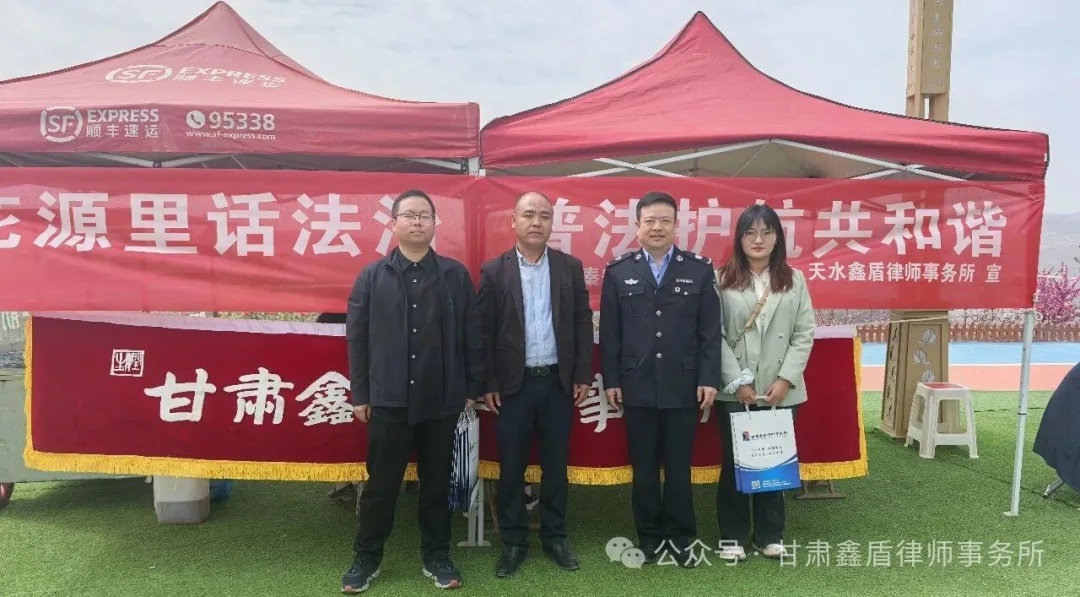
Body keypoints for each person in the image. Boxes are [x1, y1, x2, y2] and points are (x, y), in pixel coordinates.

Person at [341, 189, 484, 593]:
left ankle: (437, 556)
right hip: (388, 400)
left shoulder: (454, 275)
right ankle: (366, 558)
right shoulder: (372, 277)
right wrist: (361, 394)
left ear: (435, 224)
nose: (418, 221)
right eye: (409, 215)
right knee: (381, 486)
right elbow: (357, 339)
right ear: (393, 224)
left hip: (442, 400)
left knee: (436, 485)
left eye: (425, 215)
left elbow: (472, 335)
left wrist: (471, 387)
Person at [598, 191, 722, 567]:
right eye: (649, 221)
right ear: (637, 226)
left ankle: (681, 538)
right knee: (645, 469)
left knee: (679, 467)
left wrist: (708, 377)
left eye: (664, 220)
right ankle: (649, 537)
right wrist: (612, 380)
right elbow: (611, 333)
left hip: (683, 385)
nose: (657, 227)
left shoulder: (698, 269)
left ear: (676, 226)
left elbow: (709, 332)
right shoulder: (618, 271)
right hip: (635, 385)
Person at [477, 191, 594, 578]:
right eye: (528, 215)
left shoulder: (569, 267)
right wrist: (488, 381)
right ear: (513, 221)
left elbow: (581, 322)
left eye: (544, 215)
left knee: (555, 467)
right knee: (511, 467)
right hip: (513, 386)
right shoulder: (494, 270)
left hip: (557, 383)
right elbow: (484, 330)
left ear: (552, 223)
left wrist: (581, 374)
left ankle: (555, 536)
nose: (536, 222)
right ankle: (513, 542)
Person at [713, 202, 816, 562]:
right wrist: (735, 381)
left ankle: (770, 535)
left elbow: (804, 333)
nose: (758, 239)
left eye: (766, 232)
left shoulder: (794, 279)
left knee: (774, 461)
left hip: (780, 392)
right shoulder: (721, 278)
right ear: (739, 238)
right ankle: (733, 537)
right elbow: (713, 335)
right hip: (735, 392)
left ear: (777, 238)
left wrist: (786, 379)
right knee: (735, 464)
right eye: (750, 232)